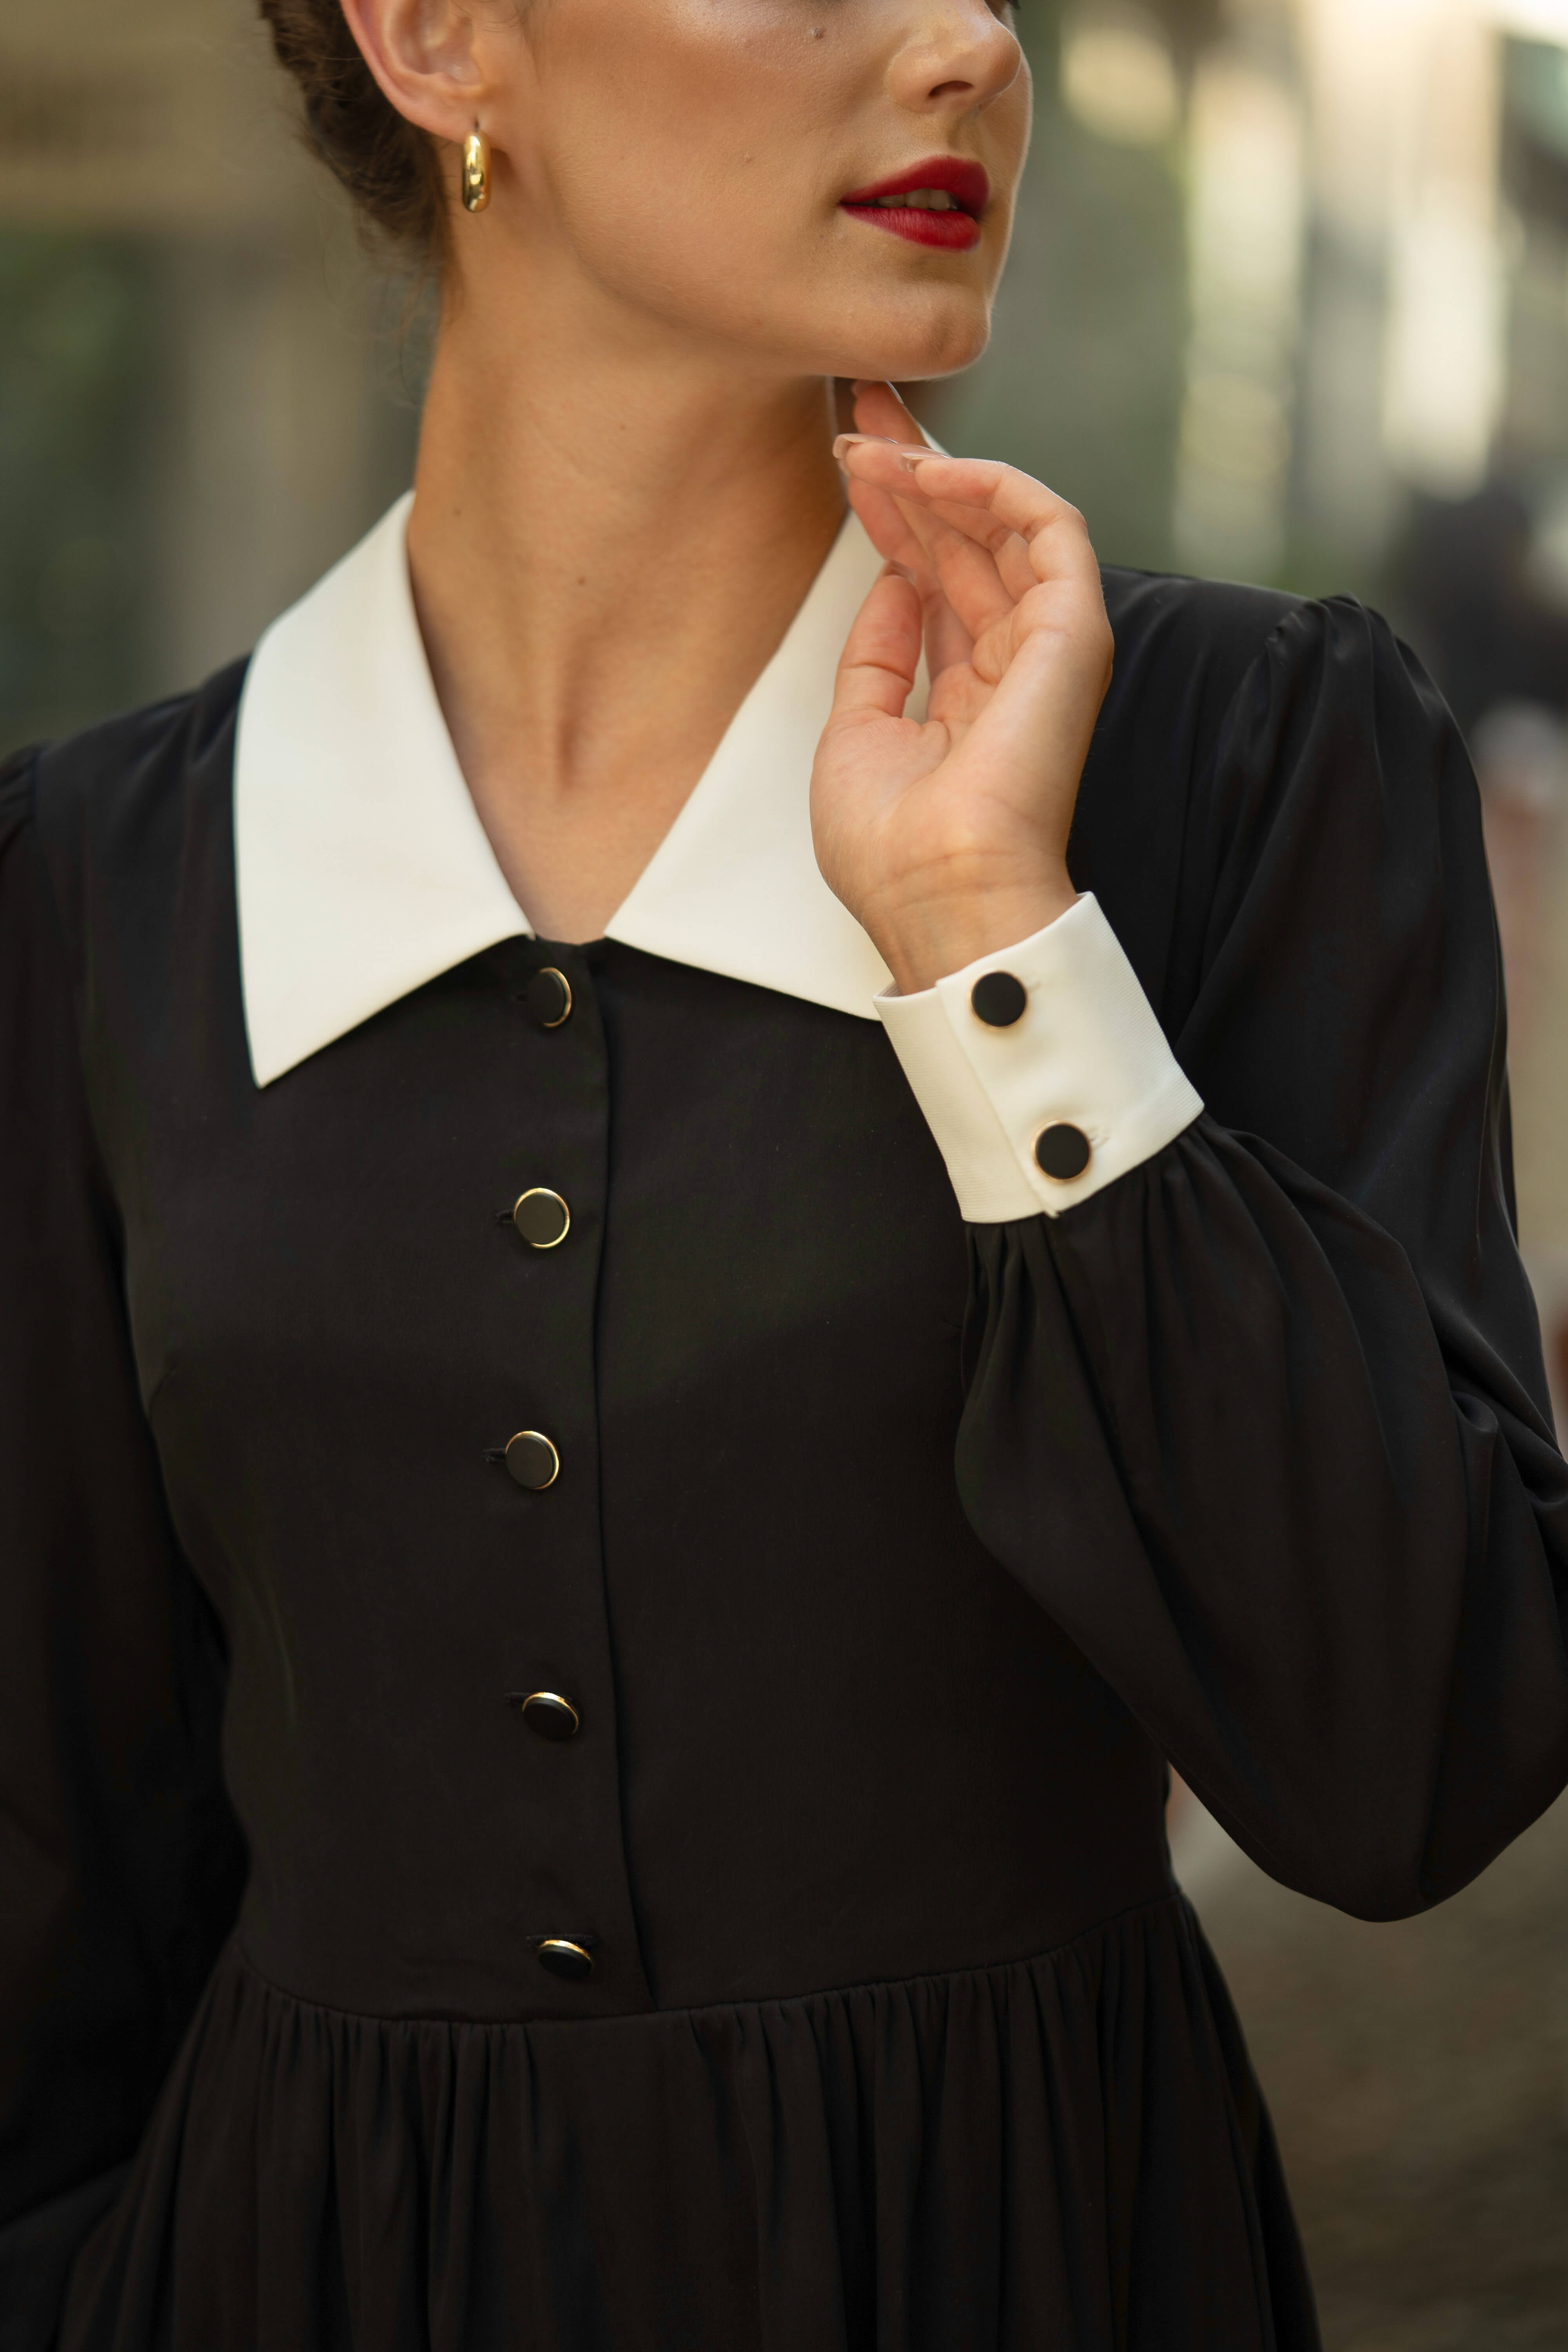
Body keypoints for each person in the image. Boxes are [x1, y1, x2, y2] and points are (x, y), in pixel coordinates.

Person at [3, 0, 1567, 2341]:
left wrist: (987, 942)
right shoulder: (90, 889)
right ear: (438, 40)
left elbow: (1403, 1756)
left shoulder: (1242, 760)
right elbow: (47, 1906)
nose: (964, 43)